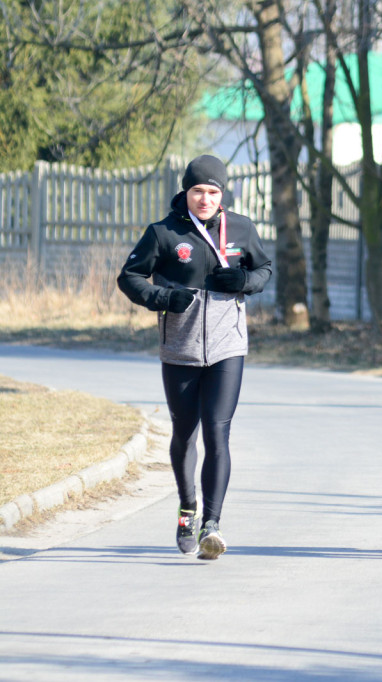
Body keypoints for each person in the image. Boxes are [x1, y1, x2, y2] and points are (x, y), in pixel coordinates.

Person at [117, 155, 272, 561]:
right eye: (198, 190)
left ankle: (212, 525)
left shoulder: (240, 228)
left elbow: (264, 268)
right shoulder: (164, 233)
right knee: (185, 431)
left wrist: (245, 281)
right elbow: (129, 277)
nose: (205, 199)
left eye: (213, 191)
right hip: (180, 347)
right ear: (186, 191)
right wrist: (164, 297)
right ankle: (188, 510)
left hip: (228, 346)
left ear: (223, 194)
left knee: (217, 432)